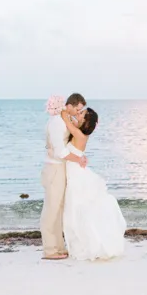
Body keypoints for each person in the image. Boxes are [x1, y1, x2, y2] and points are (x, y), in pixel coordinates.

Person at [60, 106, 127, 261]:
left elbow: (64, 116)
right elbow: (71, 121)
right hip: (75, 171)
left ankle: (82, 243)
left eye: (82, 113)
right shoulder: (80, 133)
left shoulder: (79, 134)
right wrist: (75, 114)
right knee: (75, 207)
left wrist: (64, 108)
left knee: (75, 207)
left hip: (76, 174)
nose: (79, 113)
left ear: (85, 121)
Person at [40, 92, 88, 261]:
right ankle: (50, 250)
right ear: (70, 105)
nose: (78, 112)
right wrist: (79, 159)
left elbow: (77, 127)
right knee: (51, 210)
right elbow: (60, 151)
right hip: (54, 169)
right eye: (78, 109)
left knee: (59, 209)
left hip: (60, 169)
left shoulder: (63, 119)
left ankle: (58, 247)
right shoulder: (57, 123)